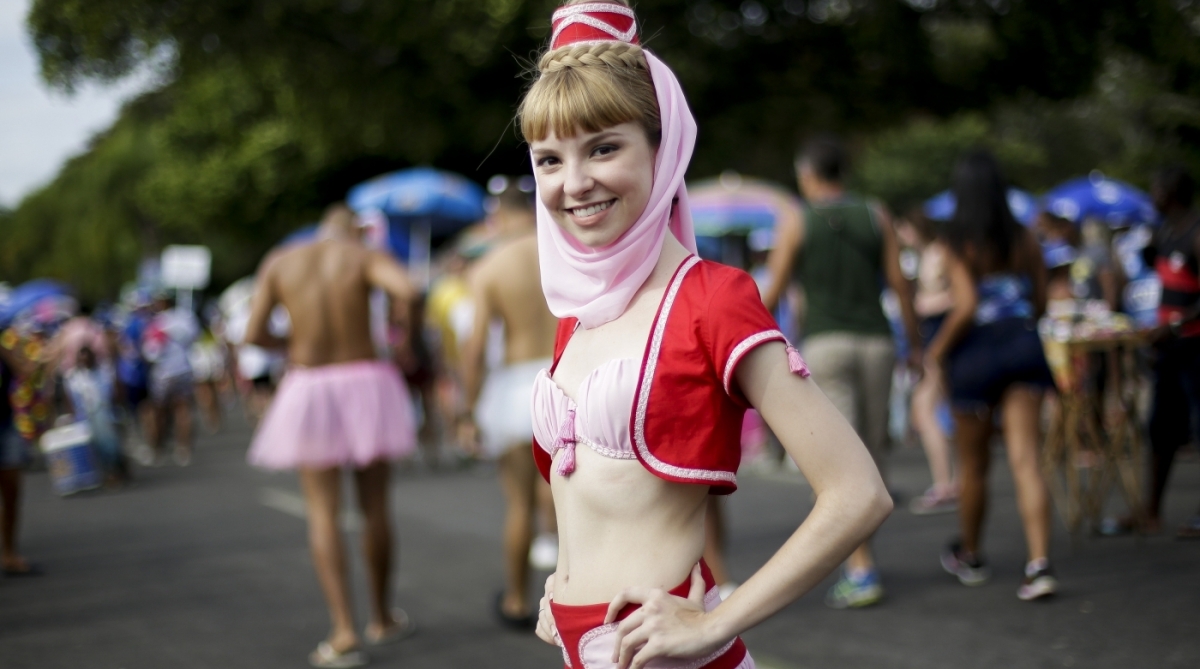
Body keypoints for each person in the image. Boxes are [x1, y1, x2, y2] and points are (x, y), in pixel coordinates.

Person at [520, 3, 892, 667]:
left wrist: (717, 621)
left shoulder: (713, 300)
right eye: (549, 159)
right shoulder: (576, 315)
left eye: (603, 148)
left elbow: (858, 493)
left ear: (662, 149)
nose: (574, 183)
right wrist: (562, 585)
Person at [245, 203, 419, 668]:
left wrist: (291, 344)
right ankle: (382, 617)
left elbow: (253, 333)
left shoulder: (281, 261)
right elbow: (408, 289)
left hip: (310, 383)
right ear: (355, 230)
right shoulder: (363, 255)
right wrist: (406, 338)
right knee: (375, 508)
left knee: (322, 514)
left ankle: (343, 631)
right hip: (366, 380)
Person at [761, 135, 919, 608]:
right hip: (877, 343)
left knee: (837, 461)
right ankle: (861, 559)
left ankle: (861, 569)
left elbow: (774, 290)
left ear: (807, 174)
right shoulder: (876, 214)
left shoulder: (798, 220)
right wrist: (916, 344)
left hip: (827, 343)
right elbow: (899, 283)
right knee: (872, 452)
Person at [924, 150, 1057, 601]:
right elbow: (1040, 301)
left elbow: (965, 305)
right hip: (1022, 346)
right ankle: (1039, 565)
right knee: (1026, 460)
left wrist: (936, 350)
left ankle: (972, 554)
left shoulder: (956, 240)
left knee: (974, 465)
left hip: (975, 356)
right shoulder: (1024, 236)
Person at [460, 182, 560, 628]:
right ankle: (583, 600)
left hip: (517, 389)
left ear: (496, 216)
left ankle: (518, 600)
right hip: (567, 375)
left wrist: (467, 410)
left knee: (519, 504)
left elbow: (475, 348)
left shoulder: (488, 268)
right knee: (580, 499)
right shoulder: (567, 250)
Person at [1140, 166, 1200, 538]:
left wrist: (1176, 325)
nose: (1152, 196)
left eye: (1155, 188)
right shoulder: (1164, 232)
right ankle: (1150, 511)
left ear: (1170, 191)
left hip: (1194, 345)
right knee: (1160, 428)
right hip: (1169, 348)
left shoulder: (1196, 232)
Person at [898, 212, 958, 515]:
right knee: (937, 410)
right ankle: (951, 480)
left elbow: (959, 296)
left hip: (941, 338)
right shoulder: (925, 256)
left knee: (926, 409)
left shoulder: (940, 253)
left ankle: (946, 483)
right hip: (934, 338)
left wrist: (920, 305)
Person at [142, 295, 199, 466]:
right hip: (184, 369)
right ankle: (184, 449)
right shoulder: (185, 317)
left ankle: (156, 449)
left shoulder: (156, 322)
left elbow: (151, 353)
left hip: (163, 374)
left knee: (159, 412)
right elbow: (194, 338)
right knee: (183, 410)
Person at [63, 346, 127, 486]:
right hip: (85, 415)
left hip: (104, 412)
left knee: (110, 443)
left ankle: (115, 471)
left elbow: (115, 392)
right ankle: (104, 473)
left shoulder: (104, 372)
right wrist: (73, 417)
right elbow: (70, 400)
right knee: (94, 446)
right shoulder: (73, 377)